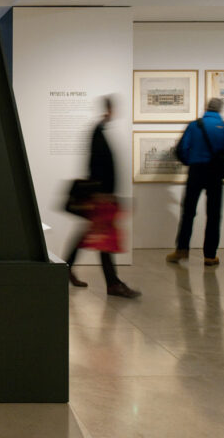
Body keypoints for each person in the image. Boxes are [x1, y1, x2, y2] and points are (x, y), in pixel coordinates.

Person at [65, 96, 141, 298]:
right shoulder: (98, 132)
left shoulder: (100, 130)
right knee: (104, 237)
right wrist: (101, 193)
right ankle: (113, 283)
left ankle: (66, 269)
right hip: (100, 195)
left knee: (93, 236)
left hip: (102, 194)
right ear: (109, 109)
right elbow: (96, 164)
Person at [166, 97, 224, 266]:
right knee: (214, 215)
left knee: (188, 212)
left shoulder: (194, 126)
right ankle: (210, 255)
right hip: (216, 173)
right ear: (220, 110)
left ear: (206, 108)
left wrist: (191, 161)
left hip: (196, 170)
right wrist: (223, 163)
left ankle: (181, 250)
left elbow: (181, 149)